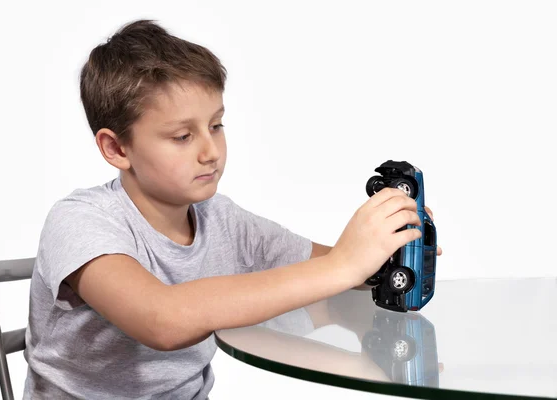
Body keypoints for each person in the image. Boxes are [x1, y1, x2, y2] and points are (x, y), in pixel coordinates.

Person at [23, 19, 441, 400]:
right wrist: (344, 266)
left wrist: (387, 254)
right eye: (183, 136)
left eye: (216, 125)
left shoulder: (221, 219)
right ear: (116, 148)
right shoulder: (79, 220)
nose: (210, 151)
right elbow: (161, 321)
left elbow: (329, 270)